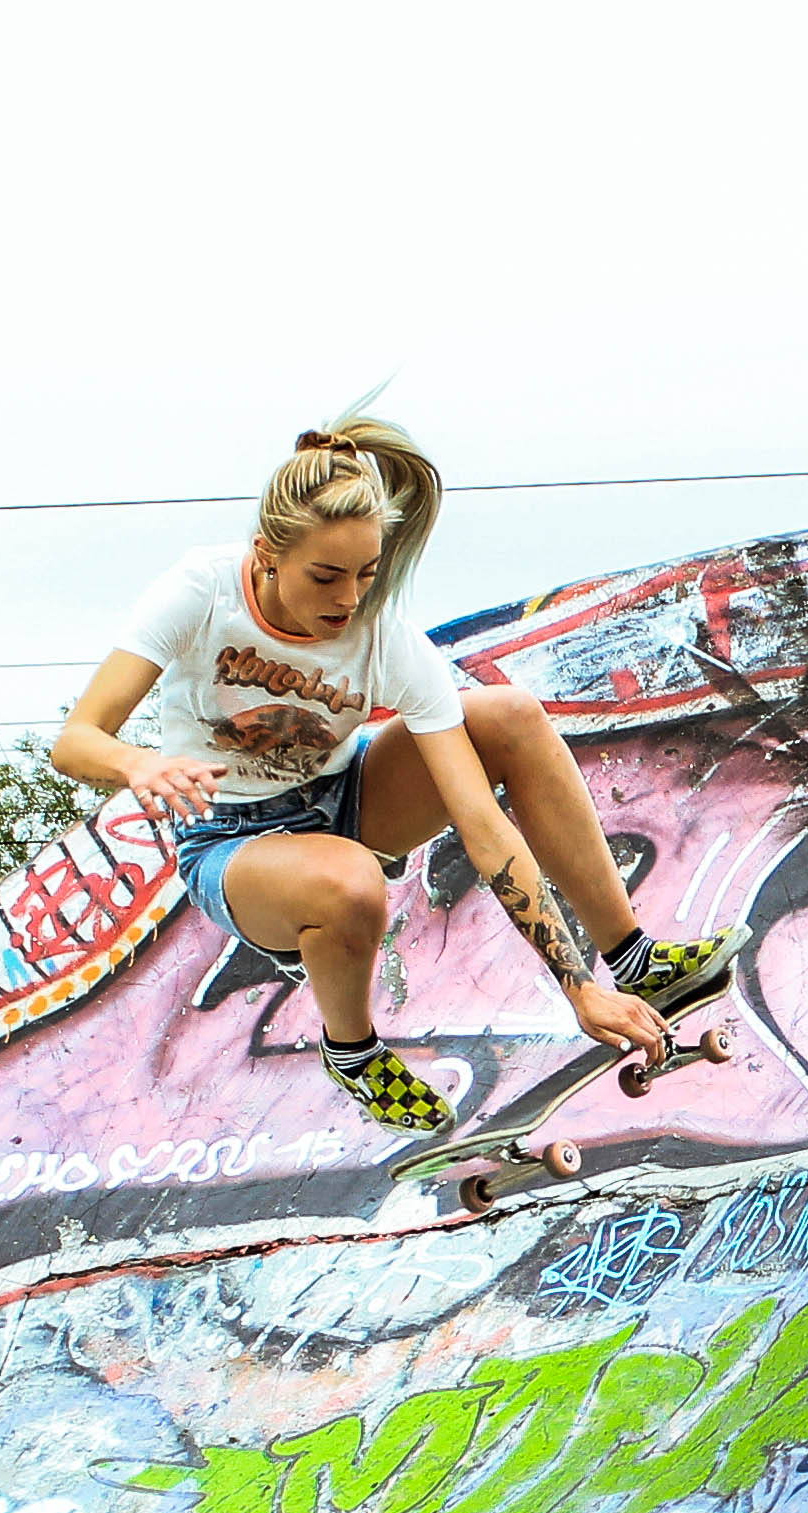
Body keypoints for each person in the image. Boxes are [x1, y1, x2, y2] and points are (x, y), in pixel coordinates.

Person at [51, 417, 738, 1131]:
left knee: (507, 716)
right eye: (325, 577)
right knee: (349, 879)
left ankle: (634, 956)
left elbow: (482, 825)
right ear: (267, 556)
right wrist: (139, 763)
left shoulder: (384, 636)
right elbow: (75, 741)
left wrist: (579, 989)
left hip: (351, 797)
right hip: (231, 841)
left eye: (366, 574)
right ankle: (352, 1050)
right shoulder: (202, 590)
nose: (348, 600)